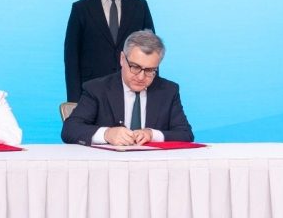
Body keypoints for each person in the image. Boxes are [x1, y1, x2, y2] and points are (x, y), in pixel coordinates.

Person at [62, 30, 192, 146]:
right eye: (135, 67)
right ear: (122, 59)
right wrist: (107, 134)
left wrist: (153, 135)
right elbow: (70, 129)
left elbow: (185, 134)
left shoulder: (168, 90)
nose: (141, 77)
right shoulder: (97, 89)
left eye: (149, 70)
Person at [64, 0, 155, 102]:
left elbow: (151, 51)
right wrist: (74, 101)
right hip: (92, 90)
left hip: (133, 87)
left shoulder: (139, 6)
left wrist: (152, 93)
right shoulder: (81, 8)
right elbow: (71, 57)